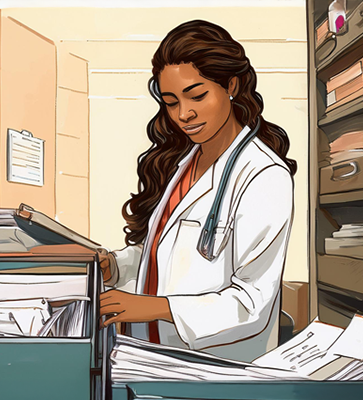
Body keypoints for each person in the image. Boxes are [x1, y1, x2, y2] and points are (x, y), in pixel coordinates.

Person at [98, 20, 297, 362]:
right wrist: (113, 266)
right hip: (153, 357)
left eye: (197, 95)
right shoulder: (184, 162)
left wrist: (156, 308)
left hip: (215, 366)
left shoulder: (264, 176)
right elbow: (167, 256)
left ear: (231, 85)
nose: (183, 114)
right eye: (171, 102)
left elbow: (250, 304)